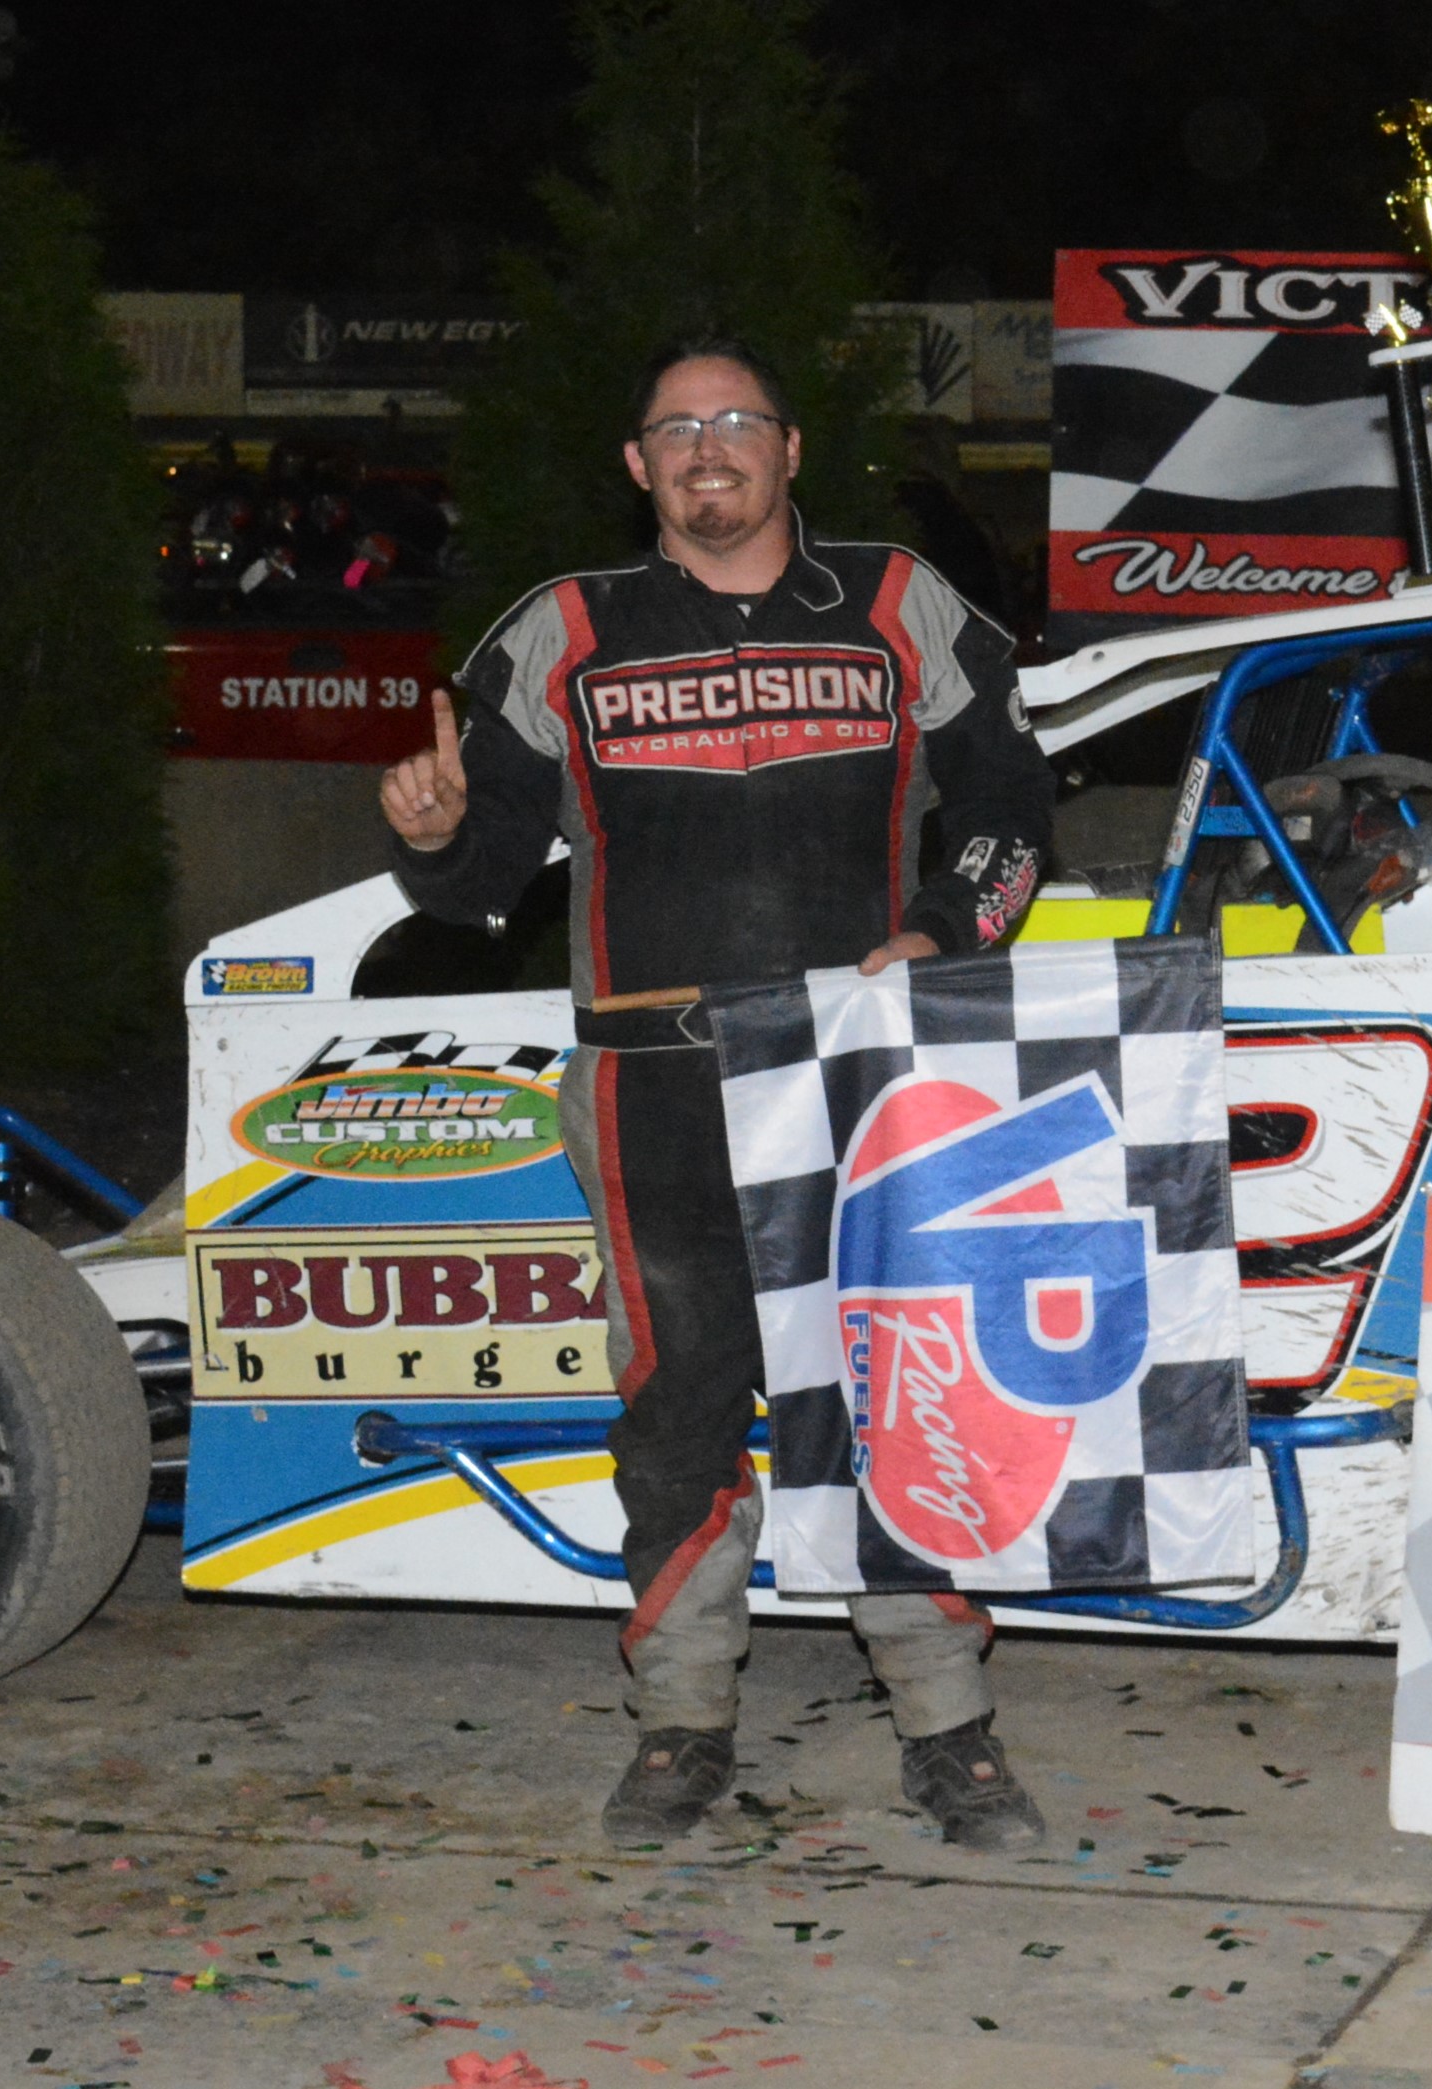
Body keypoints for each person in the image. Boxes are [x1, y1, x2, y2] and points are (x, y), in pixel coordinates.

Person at [380, 338, 1056, 1851]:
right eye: (676, 426)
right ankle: (682, 1722)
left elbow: (1012, 805)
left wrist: (947, 927)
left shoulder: (898, 601)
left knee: (892, 1393)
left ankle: (949, 1728)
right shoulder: (565, 629)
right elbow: (483, 875)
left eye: (736, 420)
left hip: (857, 1075)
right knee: (677, 1407)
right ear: (638, 466)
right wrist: (430, 835)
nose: (707, 446)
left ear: (788, 448)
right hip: (650, 1088)